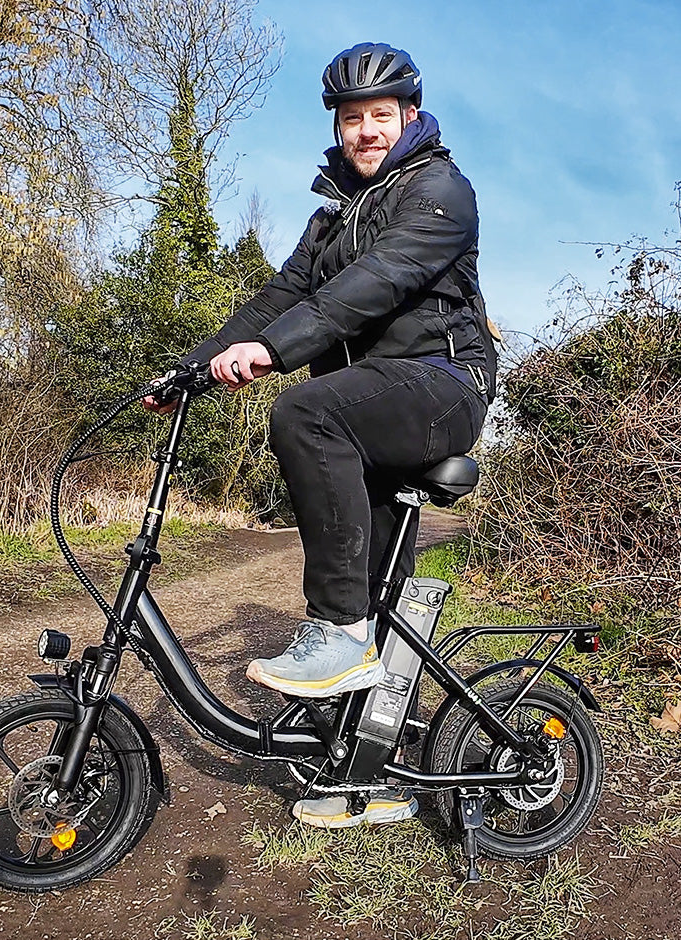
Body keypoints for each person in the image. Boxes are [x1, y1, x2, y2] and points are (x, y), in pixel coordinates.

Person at [148, 42, 495, 827]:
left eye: (380, 116)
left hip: (442, 385)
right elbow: (279, 297)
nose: (365, 131)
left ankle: (335, 631)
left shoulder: (439, 190)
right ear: (337, 127)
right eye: (351, 119)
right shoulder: (333, 213)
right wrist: (189, 370)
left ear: (409, 116)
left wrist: (272, 355)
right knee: (372, 584)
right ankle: (366, 774)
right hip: (371, 403)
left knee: (305, 410)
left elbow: (375, 285)